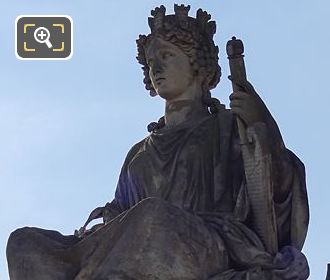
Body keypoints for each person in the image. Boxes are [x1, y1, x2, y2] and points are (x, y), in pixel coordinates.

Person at [7, 4, 309, 280]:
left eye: (167, 56)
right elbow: (120, 213)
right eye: (151, 61)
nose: (156, 68)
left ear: (198, 66)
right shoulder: (138, 154)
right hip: (136, 244)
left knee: (152, 217)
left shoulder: (229, 126)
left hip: (206, 243)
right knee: (24, 243)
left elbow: (276, 193)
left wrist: (262, 126)